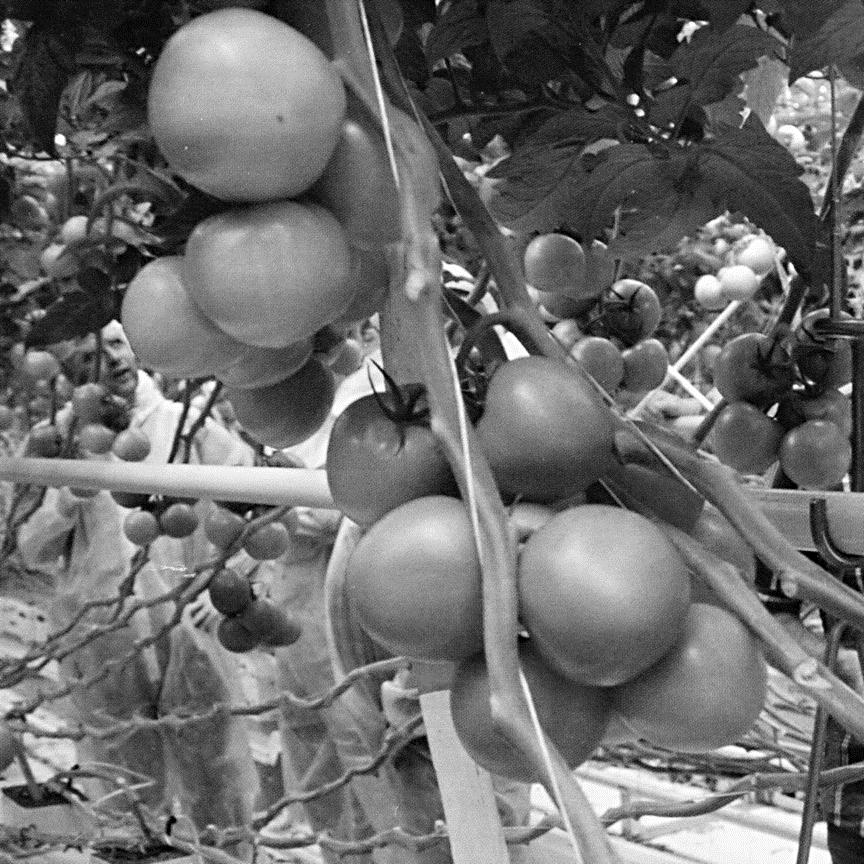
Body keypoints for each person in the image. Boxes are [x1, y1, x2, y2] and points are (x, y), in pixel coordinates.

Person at [16, 320, 259, 847]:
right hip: (101, 635)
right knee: (123, 788)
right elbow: (30, 548)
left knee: (215, 773)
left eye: (117, 343)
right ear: (76, 375)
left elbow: (252, 508)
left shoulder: (184, 425)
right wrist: (70, 493)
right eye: (90, 358)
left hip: (185, 624)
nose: (112, 361)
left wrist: (226, 587)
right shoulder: (60, 442)